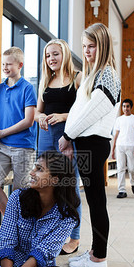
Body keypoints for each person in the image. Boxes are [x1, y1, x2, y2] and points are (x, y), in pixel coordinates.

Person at [59, 23, 121, 267]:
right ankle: (97, 252)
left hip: (93, 143)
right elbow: (79, 111)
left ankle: (99, 258)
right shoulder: (94, 74)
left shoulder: (107, 74)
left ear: (103, 45)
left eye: (92, 46)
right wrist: (72, 137)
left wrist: (67, 136)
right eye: (84, 46)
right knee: (95, 200)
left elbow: (91, 113)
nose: (86, 51)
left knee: (96, 202)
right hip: (87, 142)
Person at [34, 39, 82, 255]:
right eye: (47, 55)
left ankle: (75, 237)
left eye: (55, 54)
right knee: (44, 184)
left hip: (69, 136)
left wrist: (63, 116)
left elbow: (85, 111)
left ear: (64, 54)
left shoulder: (77, 77)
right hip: (46, 136)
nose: (51, 59)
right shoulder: (45, 80)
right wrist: (41, 117)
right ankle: (50, 231)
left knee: (70, 186)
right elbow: (36, 112)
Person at [0, 46, 37, 215]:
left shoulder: (28, 88)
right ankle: (11, 220)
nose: (5, 68)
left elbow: (28, 120)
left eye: (9, 64)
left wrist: (1, 134)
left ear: (20, 65)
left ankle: (19, 231)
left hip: (24, 147)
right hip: (3, 147)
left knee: (20, 192)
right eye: (3, 64)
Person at [111, 98, 134, 198]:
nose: (125, 108)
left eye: (127, 106)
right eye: (124, 106)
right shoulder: (119, 119)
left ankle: (133, 183)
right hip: (120, 146)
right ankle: (122, 190)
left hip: (131, 146)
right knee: (120, 168)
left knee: (132, 168)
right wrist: (113, 148)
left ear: (131, 107)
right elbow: (116, 134)